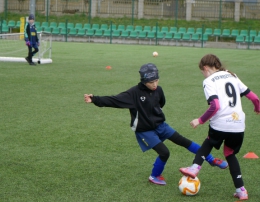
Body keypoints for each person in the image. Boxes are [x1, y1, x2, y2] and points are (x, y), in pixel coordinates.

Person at [84, 63, 228, 186]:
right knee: (164, 152)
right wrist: (95, 99)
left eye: (156, 81)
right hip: (144, 131)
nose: (154, 85)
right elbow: (114, 100)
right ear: (143, 80)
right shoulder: (133, 94)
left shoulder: (158, 90)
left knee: (184, 141)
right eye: (151, 82)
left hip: (161, 126)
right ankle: (154, 176)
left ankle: (211, 159)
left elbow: (161, 103)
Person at [179, 54, 260, 200]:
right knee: (230, 154)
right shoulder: (232, 75)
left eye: (201, 72)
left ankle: (194, 168)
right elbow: (254, 98)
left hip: (221, 123)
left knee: (209, 141)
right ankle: (241, 190)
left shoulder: (208, 81)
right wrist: (257, 108)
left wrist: (200, 120)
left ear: (205, 68)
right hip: (238, 125)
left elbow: (215, 106)